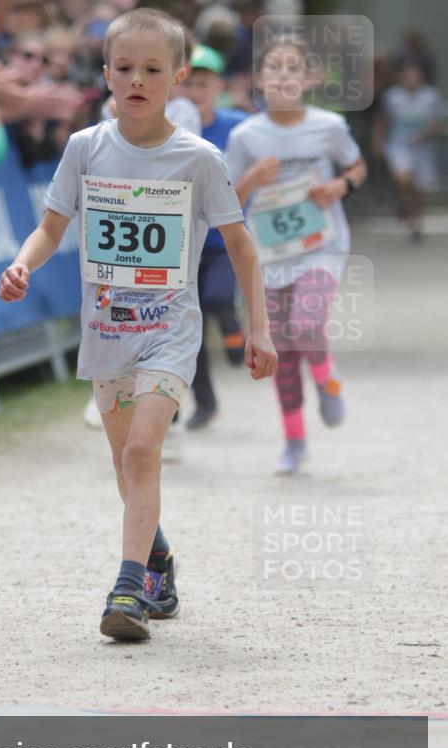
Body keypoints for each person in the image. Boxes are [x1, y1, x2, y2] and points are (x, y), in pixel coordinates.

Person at [0, 8, 277, 641]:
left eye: (152, 69)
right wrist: (21, 264)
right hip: (107, 329)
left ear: (177, 77)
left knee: (144, 449)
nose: (137, 80)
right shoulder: (85, 148)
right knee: (127, 464)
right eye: (124, 68)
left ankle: (126, 588)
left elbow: (241, 244)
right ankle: (158, 559)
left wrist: (259, 329)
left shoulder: (199, 158)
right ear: (106, 74)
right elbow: (50, 228)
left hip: (169, 328)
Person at [226, 35, 367, 475]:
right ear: (259, 80)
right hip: (269, 254)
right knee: (280, 348)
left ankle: (327, 379)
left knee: (306, 325)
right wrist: (252, 178)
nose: (284, 75)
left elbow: (358, 166)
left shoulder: (329, 126)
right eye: (275, 67)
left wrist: (340, 186)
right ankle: (294, 440)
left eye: (293, 67)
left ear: (309, 79)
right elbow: (226, 199)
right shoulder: (245, 136)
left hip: (322, 245)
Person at [180, 44, 249, 428]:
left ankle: (233, 326)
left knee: (217, 298)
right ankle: (204, 403)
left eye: (203, 84)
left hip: (223, 240)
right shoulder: (170, 127)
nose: (195, 92)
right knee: (191, 330)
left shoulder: (237, 126)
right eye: (189, 83)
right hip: (184, 244)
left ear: (219, 87)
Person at [373, 57, 444, 241]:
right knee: (403, 179)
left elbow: (438, 121)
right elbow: (382, 120)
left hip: (423, 149)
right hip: (399, 145)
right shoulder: (392, 97)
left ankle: (417, 223)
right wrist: (378, 142)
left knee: (420, 189)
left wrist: (426, 133)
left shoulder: (431, 96)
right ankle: (403, 202)